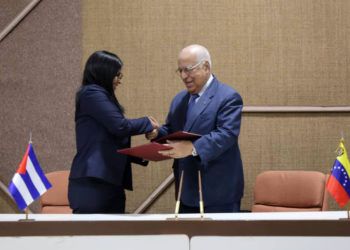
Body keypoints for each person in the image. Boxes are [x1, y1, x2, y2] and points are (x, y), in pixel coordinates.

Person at [147, 44, 244, 213]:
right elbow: (171, 131)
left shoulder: (228, 97)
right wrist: (156, 133)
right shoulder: (179, 99)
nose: (184, 76)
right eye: (180, 71)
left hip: (218, 190)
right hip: (185, 188)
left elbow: (227, 134)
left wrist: (193, 148)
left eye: (189, 69)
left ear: (206, 66)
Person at [69, 50, 159, 214]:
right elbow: (119, 127)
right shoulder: (91, 93)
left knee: (114, 236)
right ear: (104, 72)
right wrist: (147, 122)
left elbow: (108, 141)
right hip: (93, 183)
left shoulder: (100, 96)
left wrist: (142, 154)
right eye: (117, 75)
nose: (119, 80)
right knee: (92, 236)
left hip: (109, 182)